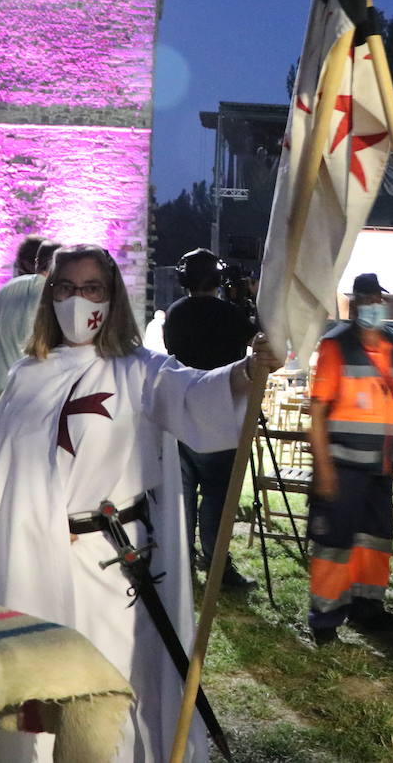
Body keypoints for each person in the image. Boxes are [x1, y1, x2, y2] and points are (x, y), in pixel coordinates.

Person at [0, 244, 279, 762]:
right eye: (66, 288)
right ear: (50, 295)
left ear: (111, 299)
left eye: (92, 289)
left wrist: (246, 372)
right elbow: (6, 476)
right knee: (46, 683)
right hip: (36, 559)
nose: (77, 300)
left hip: (113, 566)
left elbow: (194, 393)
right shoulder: (27, 376)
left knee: (111, 685)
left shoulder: (138, 370)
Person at [306, 273, 393, 645]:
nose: (374, 306)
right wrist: (323, 470)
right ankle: (325, 620)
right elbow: (317, 409)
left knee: (375, 540)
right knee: (335, 543)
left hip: (380, 466)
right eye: (367, 299)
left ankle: (369, 609)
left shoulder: (392, 347)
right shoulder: (336, 346)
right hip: (343, 465)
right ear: (355, 304)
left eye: (377, 299)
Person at [165, 248, 257, 588]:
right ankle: (217, 563)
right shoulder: (229, 315)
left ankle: (183, 560)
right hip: (223, 412)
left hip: (181, 411)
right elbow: (259, 341)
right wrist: (246, 300)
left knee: (184, 493)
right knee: (218, 493)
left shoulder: (174, 313)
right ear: (217, 280)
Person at [0, 238, 59, 407]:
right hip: (33, 386)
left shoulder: (6, 288)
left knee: (0, 433)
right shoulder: (51, 291)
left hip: (1, 383)